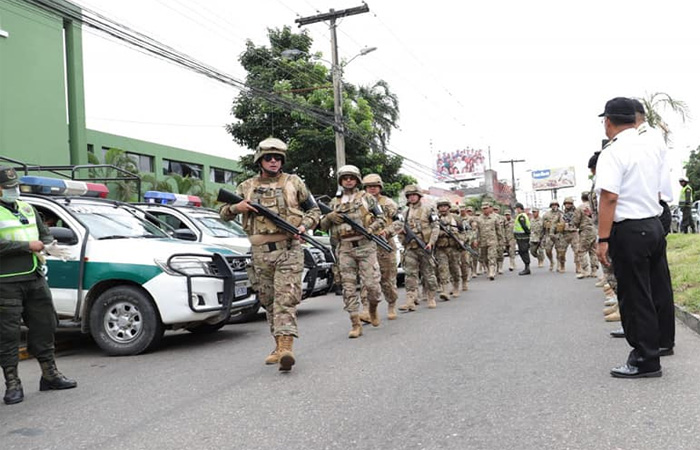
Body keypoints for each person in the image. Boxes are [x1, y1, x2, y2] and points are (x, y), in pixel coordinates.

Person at [220, 138, 320, 371]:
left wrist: (304, 225)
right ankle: (278, 346)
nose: (273, 161)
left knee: (286, 298)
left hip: (288, 249)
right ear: (260, 161)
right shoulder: (246, 186)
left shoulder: (294, 182)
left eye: (278, 158)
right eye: (268, 157)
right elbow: (223, 213)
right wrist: (237, 207)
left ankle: (286, 348)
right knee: (269, 301)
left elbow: (314, 210)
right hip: (259, 253)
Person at [596, 97, 674, 378]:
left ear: (608, 121)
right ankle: (662, 342)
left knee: (635, 296)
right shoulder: (649, 146)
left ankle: (644, 360)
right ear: (634, 118)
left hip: (629, 230)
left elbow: (609, 197)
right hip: (653, 224)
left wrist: (602, 239)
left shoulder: (612, 152)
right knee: (657, 289)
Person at [0, 166, 77, 405]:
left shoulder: (27, 208)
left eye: (15, 187)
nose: (13, 191)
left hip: (34, 277)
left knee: (45, 325)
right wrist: (28, 246)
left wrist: (48, 244)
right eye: (8, 188)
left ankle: (49, 375)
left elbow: (43, 234)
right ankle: (12, 383)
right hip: (6, 282)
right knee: (8, 335)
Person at [319, 165, 384, 338]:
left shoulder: (367, 198)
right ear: (340, 180)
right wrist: (329, 217)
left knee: (372, 286)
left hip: (365, 245)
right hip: (344, 248)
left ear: (357, 180)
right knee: (348, 288)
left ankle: (372, 309)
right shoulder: (334, 202)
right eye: (345, 177)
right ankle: (355, 323)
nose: (348, 180)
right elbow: (323, 226)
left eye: (352, 177)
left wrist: (371, 229)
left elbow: (381, 218)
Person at [358, 174, 402, 322]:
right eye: (369, 186)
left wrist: (387, 231)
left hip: (385, 244)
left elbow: (399, 223)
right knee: (366, 279)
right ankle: (366, 310)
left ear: (380, 187)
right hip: (366, 244)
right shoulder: (359, 202)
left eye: (374, 186)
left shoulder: (388, 203)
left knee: (387, 280)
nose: (372, 188)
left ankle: (391, 304)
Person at [398, 185, 439, 310]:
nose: (412, 197)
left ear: (419, 196)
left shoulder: (428, 209)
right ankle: (410, 300)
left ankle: (431, 297)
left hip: (424, 246)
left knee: (428, 274)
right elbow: (400, 229)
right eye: (409, 196)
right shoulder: (404, 213)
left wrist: (431, 242)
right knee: (410, 274)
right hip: (410, 248)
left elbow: (435, 227)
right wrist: (403, 240)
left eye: (414, 195)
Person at [434, 198, 463, 300]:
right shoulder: (435, 219)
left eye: (444, 206)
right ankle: (445, 290)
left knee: (454, 268)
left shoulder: (456, 218)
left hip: (454, 248)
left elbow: (464, 232)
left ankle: (455, 287)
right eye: (440, 207)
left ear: (448, 207)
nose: (442, 208)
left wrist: (461, 240)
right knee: (442, 268)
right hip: (441, 248)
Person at [572, 191, 598, 279]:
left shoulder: (580, 207)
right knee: (593, 250)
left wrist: (574, 225)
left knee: (581, 251)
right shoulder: (594, 207)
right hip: (595, 230)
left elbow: (576, 221)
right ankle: (594, 271)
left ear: (582, 198)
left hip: (585, 231)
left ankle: (585, 270)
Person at [552, 197, 580, 274]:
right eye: (566, 203)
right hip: (564, 234)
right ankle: (562, 265)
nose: (568, 205)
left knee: (577, 251)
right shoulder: (560, 214)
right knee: (561, 252)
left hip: (574, 233)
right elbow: (554, 223)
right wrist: (552, 233)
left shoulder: (577, 212)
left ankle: (578, 266)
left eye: (569, 203)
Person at [475, 202, 502, 280]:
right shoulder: (479, 219)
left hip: (492, 240)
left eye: (486, 208)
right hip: (483, 241)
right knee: (485, 257)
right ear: (482, 209)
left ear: (489, 208)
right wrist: (476, 240)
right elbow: (477, 231)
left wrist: (501, 240)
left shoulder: (494, 218)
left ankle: (492, 271)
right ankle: (489, 269)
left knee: (492, 256)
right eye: (484, 208)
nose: (485, 210)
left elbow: (498, 230)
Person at [542, 200, 562, 271]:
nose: (554, 206)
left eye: (555, 204)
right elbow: (542, 225)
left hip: (558, 234)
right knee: (547, 250)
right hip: (549, 234)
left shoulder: (561, 214)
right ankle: (551, 262)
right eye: (552, 205)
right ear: (550, 206)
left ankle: (559, 264)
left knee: (559, 251)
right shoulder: (546, 214)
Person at [513, 203, 531, 275]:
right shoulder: (522, 215)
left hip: (522, 237)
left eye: (516, 208)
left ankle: (527, 268)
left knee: (523, 251)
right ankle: (527, 267)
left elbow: (524, 226)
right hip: (521, 237)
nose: (516, 210)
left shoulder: (521, 216)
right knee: (523, 251)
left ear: (519, 208)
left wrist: (527, 233)